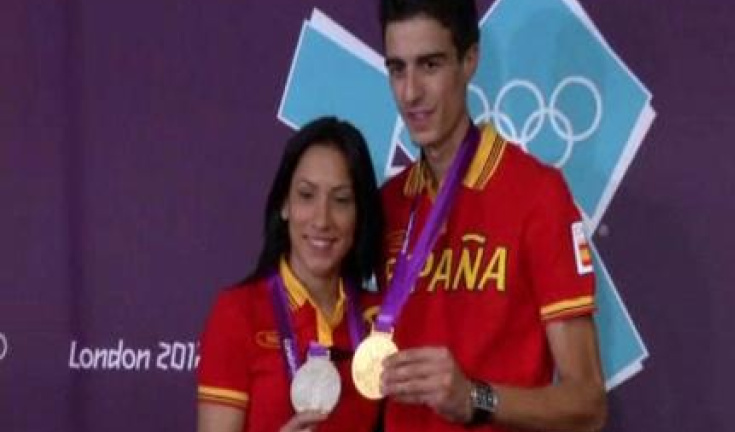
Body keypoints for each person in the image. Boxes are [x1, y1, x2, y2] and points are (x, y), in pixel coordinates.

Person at [375, 1, 607, 431]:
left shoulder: (536, 194)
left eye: (430, 65)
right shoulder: (386, 204)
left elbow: (588, 402)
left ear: (469, 60)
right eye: (397, 69)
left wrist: (475, 398)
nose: (410, 93)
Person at [197, 117, 384, 432]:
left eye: (341, 200)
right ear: (284, 204)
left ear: (360, 213)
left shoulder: (379, 319)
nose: (322, 220)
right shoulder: (238, 312)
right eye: (306, 195)